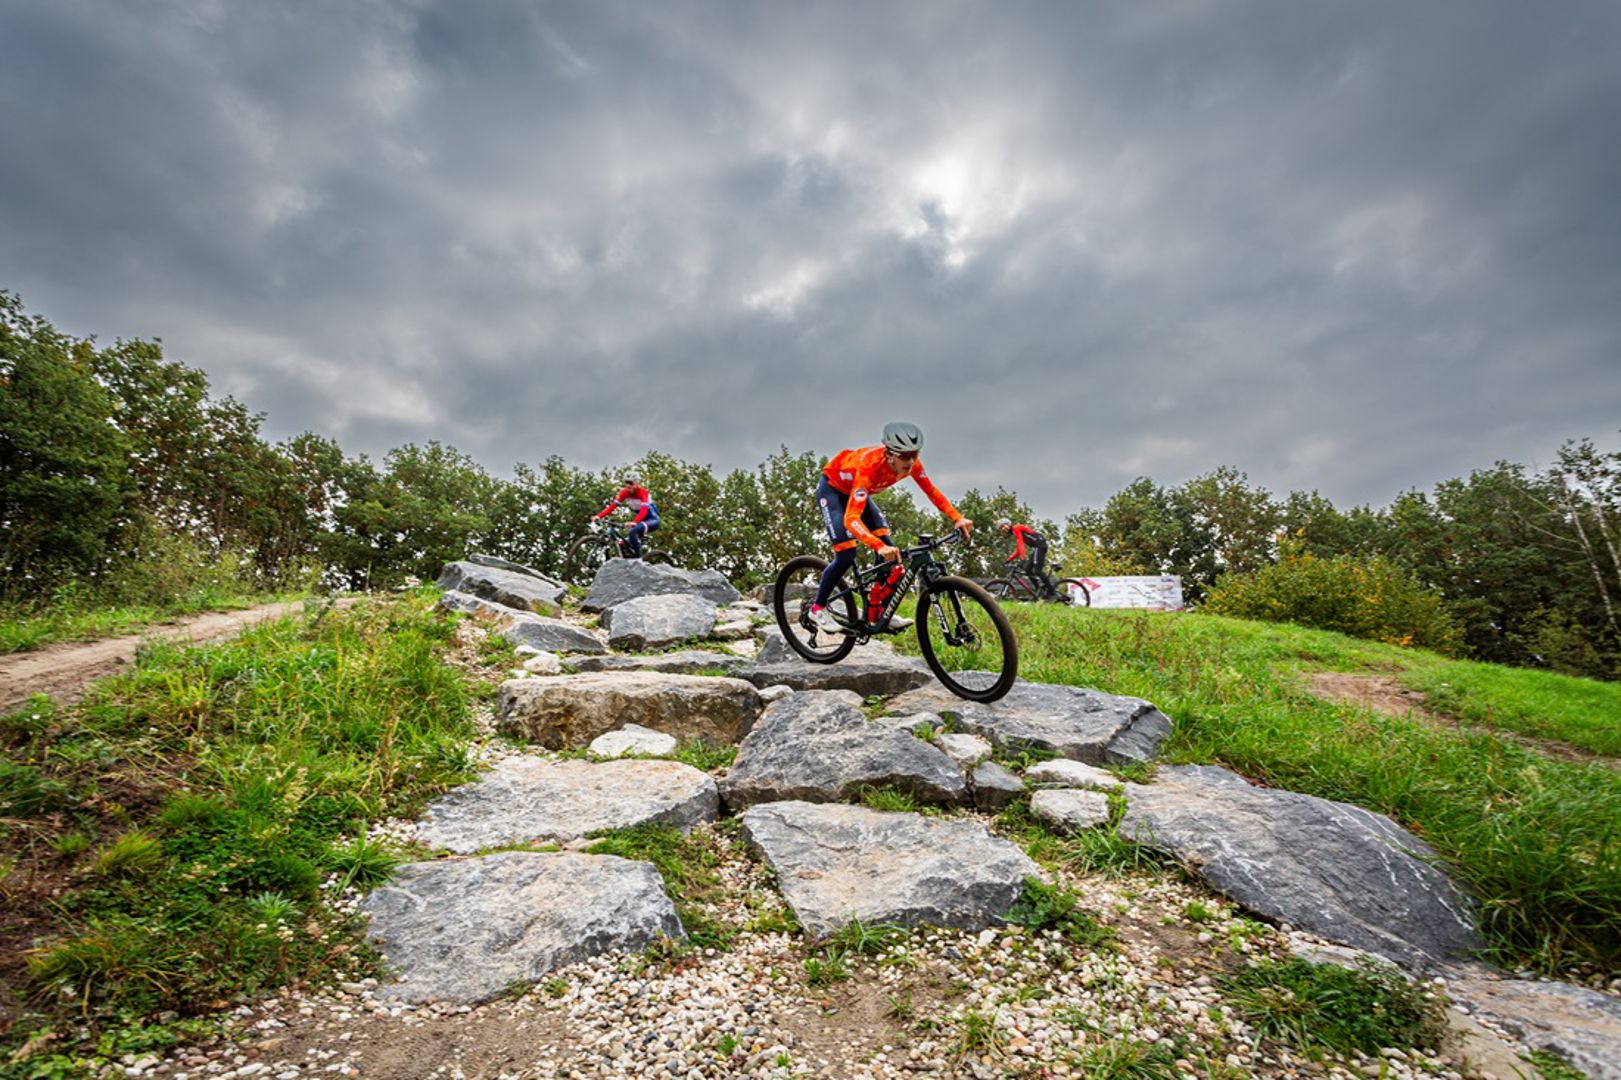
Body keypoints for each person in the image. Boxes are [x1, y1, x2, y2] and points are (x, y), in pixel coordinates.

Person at [807, 421, 972, 636]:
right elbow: (851, 519)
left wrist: (957, 517)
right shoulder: (870, 467)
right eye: (904, 456)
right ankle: (817, 608)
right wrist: (877, 546)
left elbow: (932, 493)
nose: (911, 461)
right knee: (846, 553)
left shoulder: (913, 464)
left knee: (892, 557)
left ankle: (879, 613)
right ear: (890, 454)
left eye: (915, 454)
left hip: (859, 493)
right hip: (833, 491)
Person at [593, 473, 660, 558]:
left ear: (637, 483)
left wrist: (634, 522)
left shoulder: (643, 493)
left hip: (652, 520)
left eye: (631, 483)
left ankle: (638, 560)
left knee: (632, 531)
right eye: (626, 483)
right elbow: (612, 506)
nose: (628, 485)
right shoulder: (624, 493)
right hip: (641, 521)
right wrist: (599, 516)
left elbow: (644, 510)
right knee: (622, 543)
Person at [996, 518, 1053, 596]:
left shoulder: (1016, 528)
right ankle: (1040, 591)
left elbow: (1020, 544)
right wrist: (1008, 560)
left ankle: (1051, 591)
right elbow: (1018, 549)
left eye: (1003, 526)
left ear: (1008, 524)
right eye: (1001, 528)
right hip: (1038, 547)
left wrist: (1023, 558)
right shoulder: (1015, 532)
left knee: (1037, 571)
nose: (1003, 528)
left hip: (1040, 545)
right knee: (1027, 569)